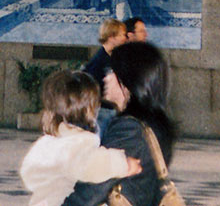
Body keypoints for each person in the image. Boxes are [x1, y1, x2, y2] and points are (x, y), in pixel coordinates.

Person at [63, 42, 176, 206]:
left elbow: (95, 187)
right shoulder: (154, 123)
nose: (106, 77)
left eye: (112, 71)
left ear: (128, 81)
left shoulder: (129, 129)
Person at [19, 70, 141, 206]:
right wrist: (124, 164)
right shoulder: (77, 142)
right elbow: (91, 164)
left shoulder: (48, 142)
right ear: (89, 110)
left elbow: (28, 171)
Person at [83, 19, 127, 136]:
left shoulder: (113, 57)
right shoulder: (98, 62)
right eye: (122, 35)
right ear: (111, 37)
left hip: (110, 110)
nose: (125, 38)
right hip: (101, 112)